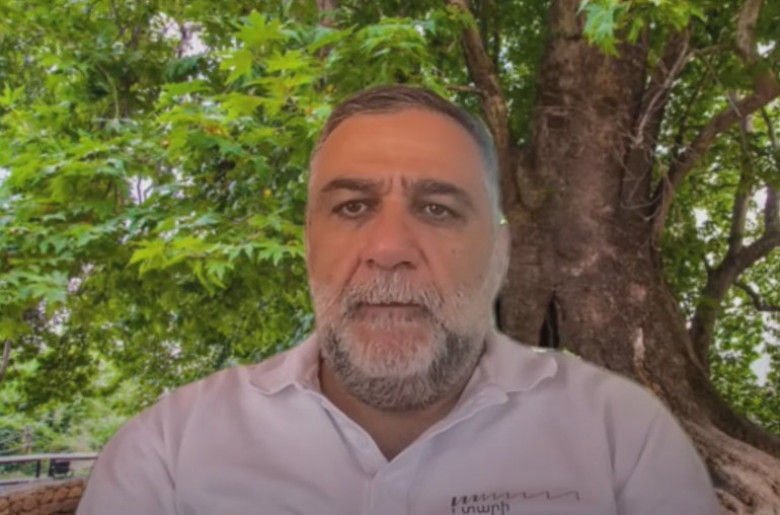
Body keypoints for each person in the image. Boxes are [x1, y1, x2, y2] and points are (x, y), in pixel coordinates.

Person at [76, 85, 719, 515]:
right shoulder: (168, 454)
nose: (388, 248)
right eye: (352, 207)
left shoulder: (622, 439)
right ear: (307, 246)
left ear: (500, 255)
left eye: (437, 209)